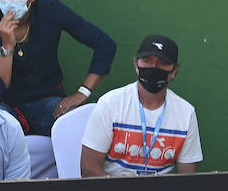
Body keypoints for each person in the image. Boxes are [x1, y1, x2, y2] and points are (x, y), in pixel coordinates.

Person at [0, 0, 114, 137]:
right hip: (8, 107)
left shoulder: (50, 9)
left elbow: (104, 44)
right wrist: (7, 46)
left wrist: (82, 92)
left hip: (48, 102)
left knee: (80, 126)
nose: (9, 0)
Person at [80, 35, 201, 177]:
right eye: (147, 61)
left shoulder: (186, 113)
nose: (154, 67)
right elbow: (88, 168)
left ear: (174, 71)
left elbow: (188, 179)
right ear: (136, 65)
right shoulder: (110, 104)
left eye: (162, 62)